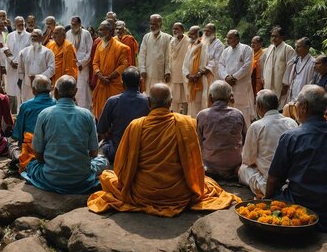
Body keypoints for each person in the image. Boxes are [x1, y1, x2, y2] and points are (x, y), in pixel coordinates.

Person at [88, 83, 240, 217]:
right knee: (209, 183)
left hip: (143, 192)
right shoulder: (186, 123)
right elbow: (195, 165)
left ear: (149, 103)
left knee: (107, 176)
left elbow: (121, 167)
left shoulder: (136, 126)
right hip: (179, 193)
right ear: (171, 102)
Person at [266, 85, 327, 233]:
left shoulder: (291, 136)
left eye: (297, 103)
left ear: (304, 106)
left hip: (302, 213)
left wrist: (267, 201)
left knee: (276, 199)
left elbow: (274, 179)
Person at [22, 75, 108, 194]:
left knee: (31, 164)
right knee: (102, 160)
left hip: (51, 176)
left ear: (56, 92)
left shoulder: (44, 114)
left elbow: (38, 153)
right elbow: (94, 153)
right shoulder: (87, 115)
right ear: (76, 92)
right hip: (81, 177)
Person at [238, 89, 297, 197]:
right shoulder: (292, 123)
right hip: (291, 180)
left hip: (268, 182)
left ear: (259, 106)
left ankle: (265, 189)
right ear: (277, 104)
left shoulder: (257, 126)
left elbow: (248, 160)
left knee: (243, 169)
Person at [97, 67, 149, 163]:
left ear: (122, 84)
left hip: (117, 153)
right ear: (140, 82)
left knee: (104, 145)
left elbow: (101, 130)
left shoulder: (112, 101)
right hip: (142, 154)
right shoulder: (148, 102)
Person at [197, 81, 246, 180]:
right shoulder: (238, 114)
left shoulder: (202, 115)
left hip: (210, 167)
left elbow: (198, 142)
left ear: (210, 97)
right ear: (230, 97)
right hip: (234, 166)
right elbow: (245, 139)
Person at [9, 75, 55, 171]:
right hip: (52, 148)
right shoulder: (57, 104)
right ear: (51, 88)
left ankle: (21, 159)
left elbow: (17, 135)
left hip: (32, 148)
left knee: (12, 146)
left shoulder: (26, 106)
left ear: (33, 90)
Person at [92, 20, 130, 120]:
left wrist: (109, 77)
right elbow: (95, 63)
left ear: (109, 31)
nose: (99, 32)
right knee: (100, 113)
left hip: (113, 83)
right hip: (101, 83)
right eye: (99, 29)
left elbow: (123, 64)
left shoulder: (121, 47)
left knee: (114, 111)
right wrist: (100, 76)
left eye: (101, 30)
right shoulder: (99, 45)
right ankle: (101, 131)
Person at [218, 30, 254, 126]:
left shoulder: (246, 49)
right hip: (228, 84)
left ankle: (245, 132)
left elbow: (247, 66)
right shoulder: (226, 51)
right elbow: (221, 65)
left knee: (242, 107)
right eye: (227, 38)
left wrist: (234, 77)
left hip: (241, 84)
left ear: (237, 38)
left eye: (230, 38)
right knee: (229, 107)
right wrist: (226, 77)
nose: (228, 40)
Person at [18, 29, 56, 103]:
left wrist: (38, 77)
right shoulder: (23, 52)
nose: (33, 38)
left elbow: (52, 69)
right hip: (27, 86)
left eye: (35, 36)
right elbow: (20, 70)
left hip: (43, 87)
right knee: (28, 106)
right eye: (32, 36)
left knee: (43, 106)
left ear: (41, 37)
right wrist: (23, 81)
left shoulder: (48, 52)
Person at [261, 26, 295, 107]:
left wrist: (285, 84)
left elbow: (290, 68)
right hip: (268, 83)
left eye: (276, 36)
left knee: (280, 106)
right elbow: (263, 63)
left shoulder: (288, 49)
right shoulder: (270, 48)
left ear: (282, 37)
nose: (273, 38)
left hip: (280, 84)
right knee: (268, 104)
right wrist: (263, 77)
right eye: (272, 36)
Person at [5, 16, 31, 114]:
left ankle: (24, 112)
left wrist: (20, 63)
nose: (21, 26)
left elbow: (29, 51)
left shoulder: (29, 36)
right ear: (15, 25)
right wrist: (11, 61)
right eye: (19, 24)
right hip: (12, 67)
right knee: (12, 92)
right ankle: (13, 114)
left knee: (24, 91)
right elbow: (6, 50)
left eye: (22, 24)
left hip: (23, 68)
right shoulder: (10, 36)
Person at [139, 14, 172, 93]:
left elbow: (169, 57)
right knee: (148, 96)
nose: (152, 26)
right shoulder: (146, 37)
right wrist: (142, 70)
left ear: (160, 24)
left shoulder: (168, 38)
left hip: (161, 74)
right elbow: (142, 55)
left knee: (161, 95)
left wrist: (167, 71)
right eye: (151, 24)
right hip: (148, 73)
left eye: (154, 24)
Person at [182, 25, 210, 118]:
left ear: (199, 34)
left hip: (200, 80)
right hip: (190, 81)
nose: (190, 36)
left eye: (193, 34)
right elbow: (184, 65)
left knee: (199, 105)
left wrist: (199, 74)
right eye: (189, 34)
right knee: (191, 105)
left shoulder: (204, 46)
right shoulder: (190, 46)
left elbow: (207, 63)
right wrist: (188, 75)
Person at [67, 16, 94, 111]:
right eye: (71, 24)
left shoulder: (86, 34)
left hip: (83, 67)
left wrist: (81, 63)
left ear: (79, 24)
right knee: (71, 89)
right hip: (71, 67)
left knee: (82, 91)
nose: (72, 26)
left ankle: (84, 111)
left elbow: (90, 51)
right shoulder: (68, 34)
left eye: (74, 24)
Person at [283, 37, 315, 106]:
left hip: (304, 99)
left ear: (307, 48)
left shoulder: (312, 63)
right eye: (295, 47)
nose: (296, 49)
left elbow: (311, 83)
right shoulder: (296, 60)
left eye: (298, 47)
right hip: (293, 96)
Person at [169, 22, 189, 113]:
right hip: (174, 72)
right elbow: (169, 57)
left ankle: (185, 116)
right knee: (174, 97)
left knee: (186, 96)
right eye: (173, 29)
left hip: (185, 73)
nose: (174, 31)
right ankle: (174, 115)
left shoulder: (188, 41)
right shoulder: (172, 41)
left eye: (177, 29)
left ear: (182, 30)